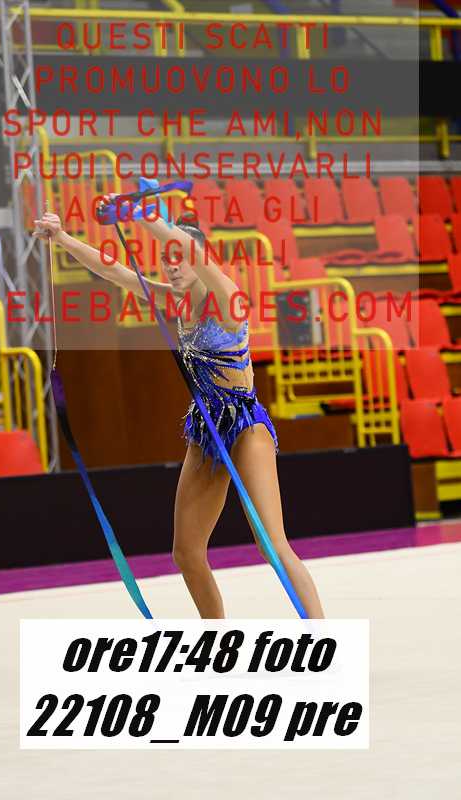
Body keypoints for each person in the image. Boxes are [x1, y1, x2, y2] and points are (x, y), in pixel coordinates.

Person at [34, 197, 325, 619]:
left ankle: (321, 633)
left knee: (271, 544)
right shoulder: (176, 302)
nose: (171, 266)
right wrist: (62, 238)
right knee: (186, 552)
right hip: (205, 429)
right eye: (165, 260)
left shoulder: (227, 300)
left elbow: (190, 249)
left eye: (178, 258)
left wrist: (143, 216)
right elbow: (114, 271)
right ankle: (216, 637)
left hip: (245, 426)